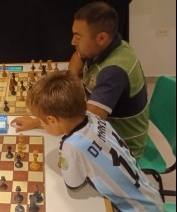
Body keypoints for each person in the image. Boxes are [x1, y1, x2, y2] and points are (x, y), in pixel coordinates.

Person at [12, 2, 148, 160]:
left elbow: (83, 122)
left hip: (121, 149)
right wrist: (69, 85)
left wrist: (38, 121)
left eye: (78, 36)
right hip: (101, 130)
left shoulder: (114, 72)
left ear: (101, 37)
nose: (72, 42)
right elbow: (78, 56)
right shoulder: (107, 46)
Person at [26, 70, 163, 211]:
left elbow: (74, 184)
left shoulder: (72, 147)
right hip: (151, 197)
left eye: (42, 122)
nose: (42, 125)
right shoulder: (93, 117)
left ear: (52, 120)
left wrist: (66, 157)